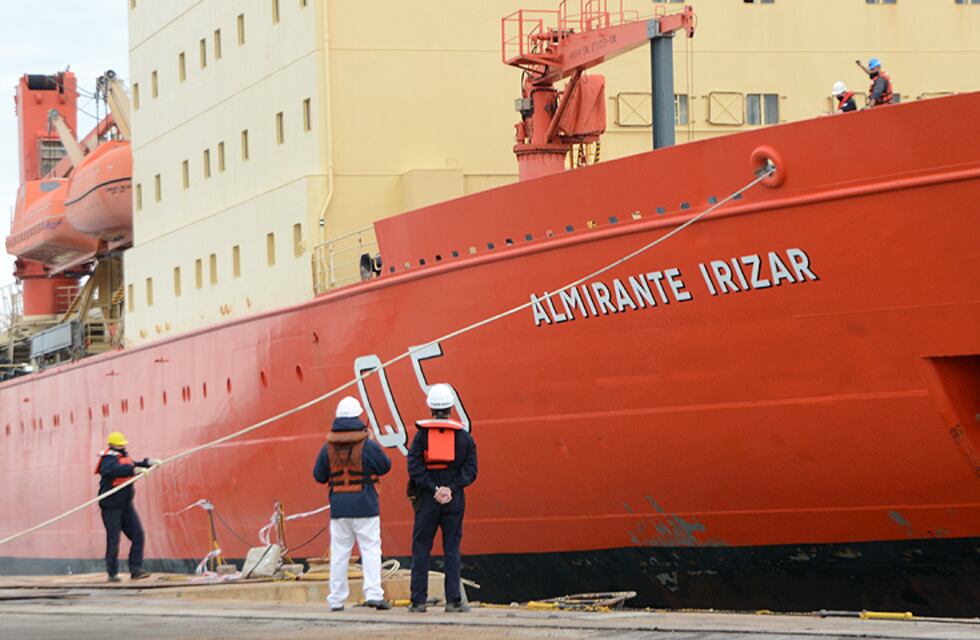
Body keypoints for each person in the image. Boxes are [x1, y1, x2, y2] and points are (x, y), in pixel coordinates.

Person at [313, 396, 392, 612]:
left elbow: (318, 475)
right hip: (366, 506)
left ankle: (336, 599)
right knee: (371, 550)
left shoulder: (327, 447)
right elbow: (385, 466)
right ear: (358, 417)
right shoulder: (368, 445)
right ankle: (374, 594)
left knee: (339, 554)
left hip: (339, 509)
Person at [407, 384, 478, 613]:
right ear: (450, 407)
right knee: (452, 549)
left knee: (421, 549)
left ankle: (418, 601)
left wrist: (433, 488)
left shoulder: (421, 437)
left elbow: (414, 467)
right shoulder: (464, 438)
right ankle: (454, 600)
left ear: (430, 407)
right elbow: (471, 471)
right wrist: (451, 489)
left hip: (427, 499)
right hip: (453, 501)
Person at [95, 431, 159, 583]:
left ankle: (136, 569)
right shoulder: (108, 460)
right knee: (114, 539)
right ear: (113, 445)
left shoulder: (123, 457)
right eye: (120, 444)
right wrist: (132, 470)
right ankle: (112, 573)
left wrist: (149, 463)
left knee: (138, 534)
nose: (122, 446)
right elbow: (113, 470)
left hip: (126, 505)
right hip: (111, 507)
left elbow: (133, 464)